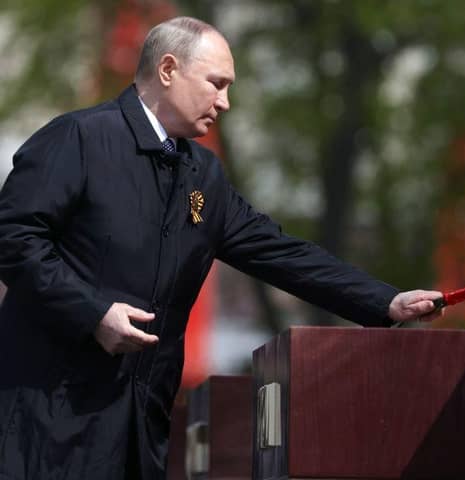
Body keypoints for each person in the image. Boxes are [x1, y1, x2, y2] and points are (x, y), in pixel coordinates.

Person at [0, 16, 442, 479]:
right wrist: (93, 313)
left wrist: (385, 301)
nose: (225, 102)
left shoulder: (203, 176)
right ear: (168, 70)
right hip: (48, 421)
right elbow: (14, 238)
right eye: (217, 84)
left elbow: (279, 252)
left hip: (139, 431)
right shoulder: (80, 138)